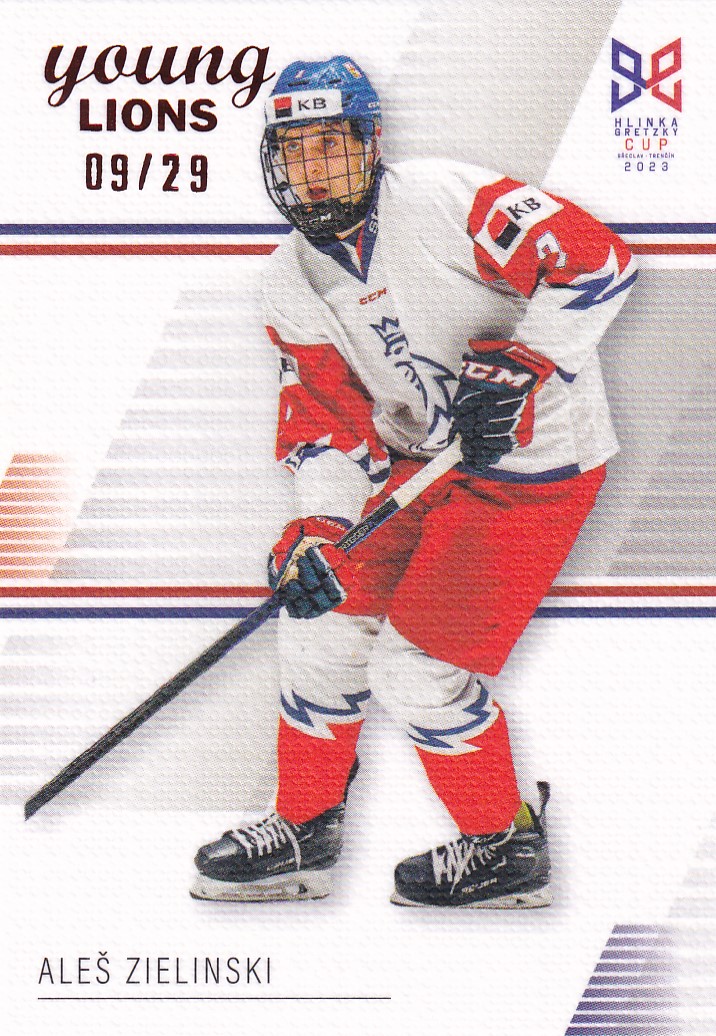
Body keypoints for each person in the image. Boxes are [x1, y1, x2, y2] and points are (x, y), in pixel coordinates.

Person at [191, 55, 637, 907]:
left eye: (331, 144)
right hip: (417, 470)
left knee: (415, 670)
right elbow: (326, 425)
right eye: (296, 150)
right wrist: (321, 531)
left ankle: (505, 844)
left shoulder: (443, 199)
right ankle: (304, 827)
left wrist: (524, 364)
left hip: (535, 474)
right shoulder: (288, 280)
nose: (315, 169)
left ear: (370, 142)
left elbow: (597, 261)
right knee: (317, 626)